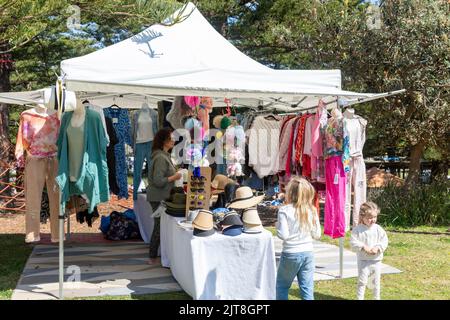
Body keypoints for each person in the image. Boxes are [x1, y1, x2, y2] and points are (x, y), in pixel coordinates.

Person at [275, 176, 321, 300]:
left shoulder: (284, 211)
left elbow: (283, 235)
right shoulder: (312, 210)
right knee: (307, 288)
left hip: (291, 253)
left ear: (289, 193)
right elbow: (317, 234)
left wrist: (277, 226)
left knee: (282, 286)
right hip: (308, 252)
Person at [147, 128, 182, 265]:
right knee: (159, 226)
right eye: (171, 138)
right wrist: (175, 176)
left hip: (160, 196)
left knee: (160, 226)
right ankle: (152, 256)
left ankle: (155, 254)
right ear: (164, 141)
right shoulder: (161, 157)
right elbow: (158, 180)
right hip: (158, 197)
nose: (173, 140)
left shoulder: (163, 155)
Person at [350, 201, 388, 300]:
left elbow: (384, 241)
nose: (373, 220)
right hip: (363, 260)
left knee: (375, 282)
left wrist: (378, 247)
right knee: (362, 281)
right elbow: (353, 243)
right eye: (369, 218)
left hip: (376, 260)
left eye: (374, 217)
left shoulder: (378, 229)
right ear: (362, 217)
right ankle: (360, 298)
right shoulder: (357, 230)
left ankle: (376, 298)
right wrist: (363, 247)